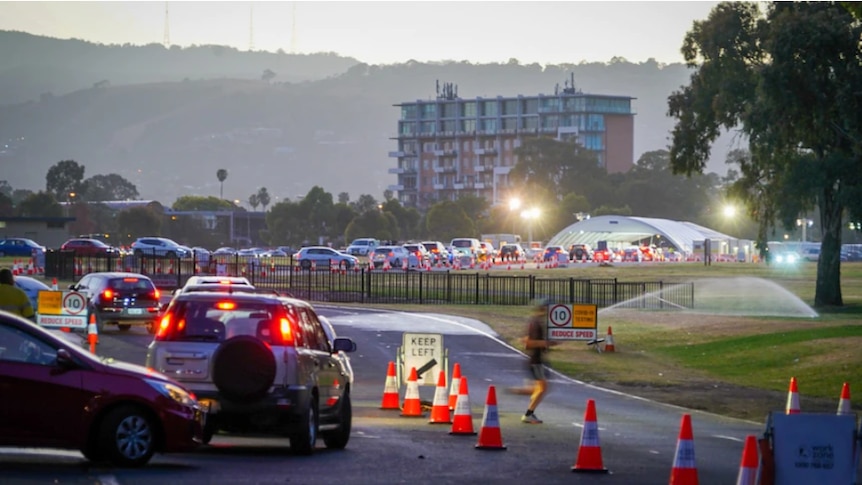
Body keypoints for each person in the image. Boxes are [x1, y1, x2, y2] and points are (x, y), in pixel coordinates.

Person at [521, 298, 557, 424]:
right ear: (543, 308)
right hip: (535, 360)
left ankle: (529, 411)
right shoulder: (536, 323)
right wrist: (546, 343)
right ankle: (529, 413)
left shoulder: (537, 322)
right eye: (547, 308)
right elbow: (528, 343)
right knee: (542, 388)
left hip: (538, 360)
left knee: (540, 388)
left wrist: (546, 345)